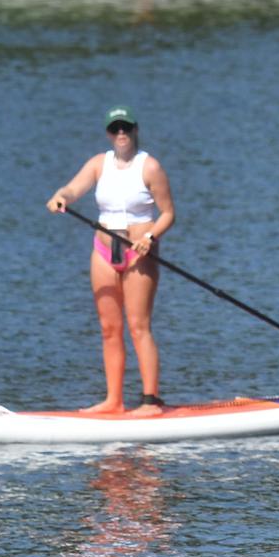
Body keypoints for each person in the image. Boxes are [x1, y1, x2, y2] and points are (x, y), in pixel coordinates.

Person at [47, 106, 176, 415]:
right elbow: (73, 188)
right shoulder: (98, 164)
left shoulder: (150, 167)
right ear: (108, 133)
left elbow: (169, 214)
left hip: (138, 251)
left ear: (135, 130)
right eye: (115, 128)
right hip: (103, 252)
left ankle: (151, 401)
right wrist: (61, 196)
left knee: (138, 326)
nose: (121, 133)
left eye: (126, 128)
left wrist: (150, 238)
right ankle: (113, 400)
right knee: (109, 327)